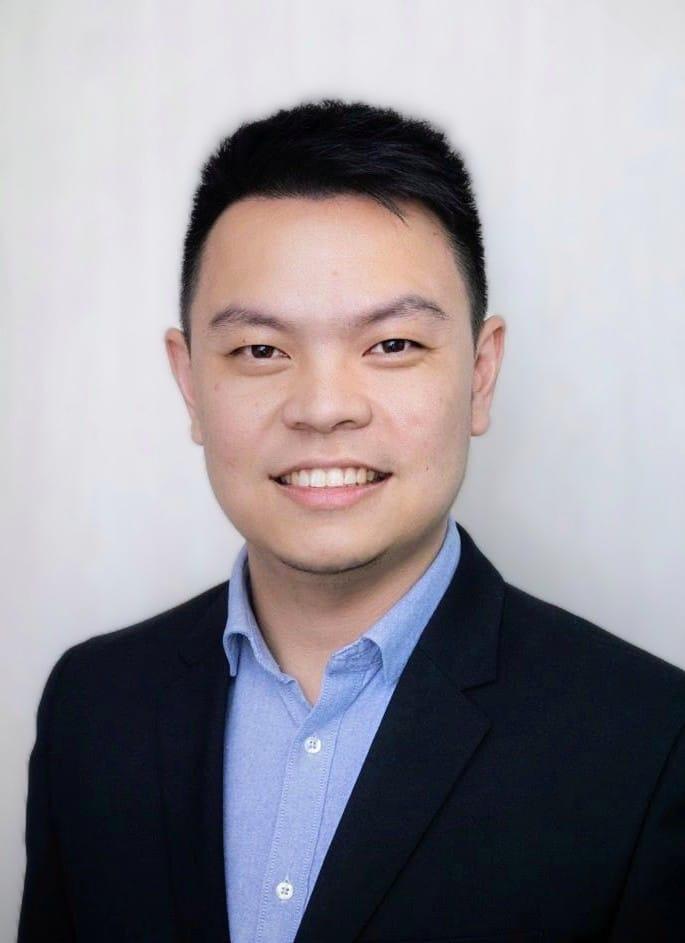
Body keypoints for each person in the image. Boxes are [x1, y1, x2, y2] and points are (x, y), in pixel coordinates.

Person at [18, 98, 685, 943]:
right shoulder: (93, 706)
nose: (324, 407)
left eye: (391, 345)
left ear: (480, 375)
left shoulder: (648, 740)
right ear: (189, 382)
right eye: (260, 350)